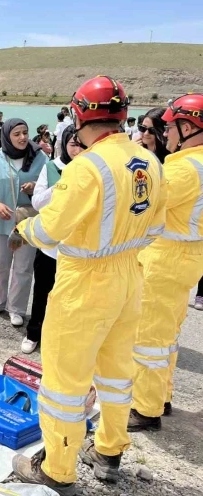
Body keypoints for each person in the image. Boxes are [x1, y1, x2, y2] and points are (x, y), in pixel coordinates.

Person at [11, 76, 165, 493]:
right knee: (116, 372)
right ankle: (109, 450)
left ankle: (57, 469)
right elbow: (159, 226)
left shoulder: (86, 168)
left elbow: (50, 231)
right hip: (130, 276)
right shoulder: (150, 161)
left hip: (84, 284)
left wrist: (25, 225)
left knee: (65, 380)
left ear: (79, 116)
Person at [129, 94, 203, 432]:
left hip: (168, 257)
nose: (165, 134)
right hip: (185, 257)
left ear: (187, 127)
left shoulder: (185, 167)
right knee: (167, 336)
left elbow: (145, 203)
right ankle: (162, 396)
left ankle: (145, 409)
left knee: (150, 339)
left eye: (170, 128)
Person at [21, 125, 82, 354]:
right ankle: (33, 332)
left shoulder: (93, 170)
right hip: (50, 246)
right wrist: (62, 186)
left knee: (71, 298)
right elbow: (37, 202)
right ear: (64, 144)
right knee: (43, 291)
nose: (77, 150)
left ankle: (61, 339)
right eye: (73, 144)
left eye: (81, 144)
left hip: (78, 247)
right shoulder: (52, 167)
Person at [0, 118, 46, 323]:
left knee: (23, 267)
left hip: (28, 224)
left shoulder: (41, 158)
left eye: (25, 132)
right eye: (17, 134)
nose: (23, 137)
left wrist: (35, 187)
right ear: (7, 136)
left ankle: (16, 308)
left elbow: (51, 187)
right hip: (2, 223)